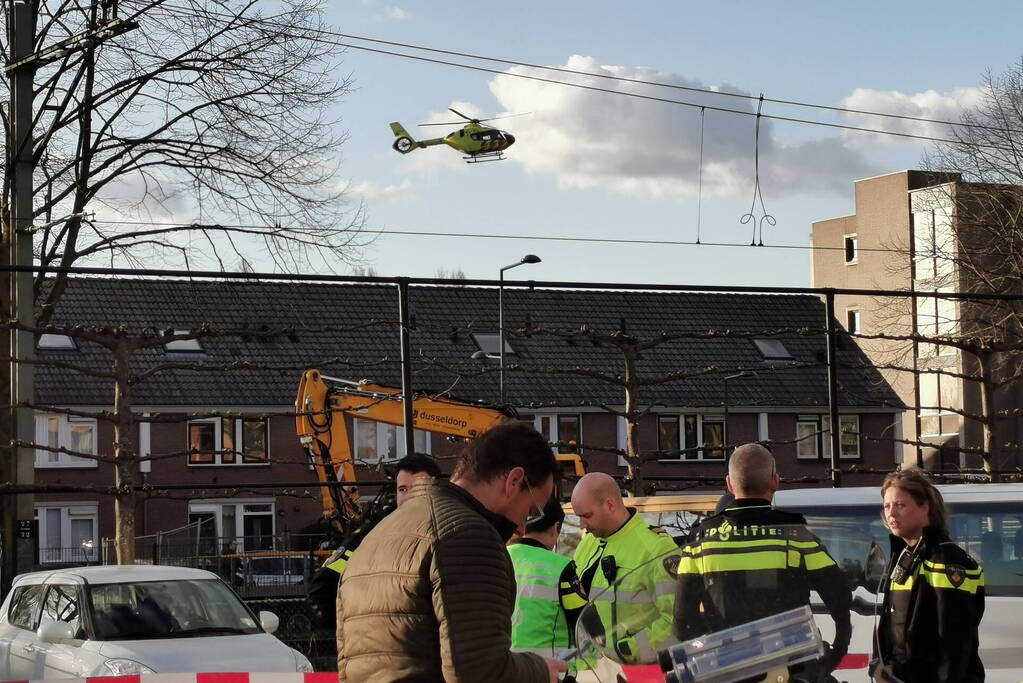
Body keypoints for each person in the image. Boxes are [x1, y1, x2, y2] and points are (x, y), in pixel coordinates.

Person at [336, 422, 567, 682]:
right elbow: (479, 671)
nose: (524, 527)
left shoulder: (378, 535)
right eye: (532, 509)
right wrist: (540, 671)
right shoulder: (468, 536)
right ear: (514, 481)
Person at [674, 443, 851, 681]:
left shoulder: (701, 540)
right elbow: (839, 595)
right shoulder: (794, 534)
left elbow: (683, 622)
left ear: (728, 484)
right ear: (775, 481)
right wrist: (834, 654)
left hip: (729, 671)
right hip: (791, 669)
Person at [872, 468, 985, 683]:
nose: (891, 514)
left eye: (900, 505)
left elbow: (953, 644)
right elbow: (893, 626)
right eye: (887, 506)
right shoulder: (906, 556)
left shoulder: (947, 560)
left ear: (925, 507)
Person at [306, 453, 441, 631]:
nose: (409, 497)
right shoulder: (373, 531)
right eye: (402, 489)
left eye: (417, 489)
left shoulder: (451, 528)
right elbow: (324, 585)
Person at [572, 472, 680, 664]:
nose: (582, 525)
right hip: (595, 669)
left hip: (638, 670)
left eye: (587, 516)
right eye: (578, 517)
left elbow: (675, 619)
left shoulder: (655, 548)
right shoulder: (588, 544)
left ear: (610, 505)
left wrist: (627, 650)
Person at [509, 497, 588, 657]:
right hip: (547, 670)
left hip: (504, 667)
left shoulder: (499, 555)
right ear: (556, 528)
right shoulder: (561, 567)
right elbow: (583, 621)